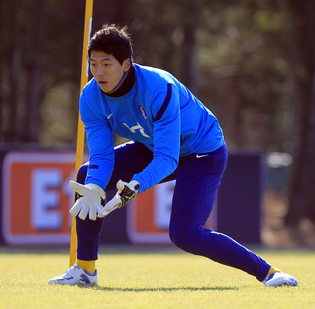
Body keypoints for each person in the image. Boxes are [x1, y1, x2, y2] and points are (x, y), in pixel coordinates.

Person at [48, 24, 298, 287]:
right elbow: (102, 154)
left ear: (126, 65)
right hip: (152, 147)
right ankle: (85, 271)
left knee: (185, 235)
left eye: (107, 64)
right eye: (93, 63)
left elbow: (168, 159)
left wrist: (136, 184)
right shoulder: (89, 97)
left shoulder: (158, 87)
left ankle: (270, 273)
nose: (98, 72)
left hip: (202, 151)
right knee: (87, 175)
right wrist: (94, 186)